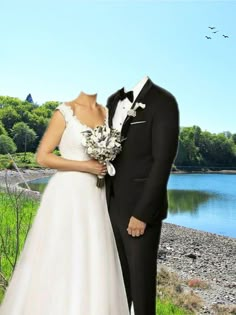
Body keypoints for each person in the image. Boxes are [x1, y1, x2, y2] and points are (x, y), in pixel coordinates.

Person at [0, 92, 130, 315]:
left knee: (96, 256)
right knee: (63, 254)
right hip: (68, 193)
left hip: (98, 195)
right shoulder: (64, 112)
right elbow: (43, 157)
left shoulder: (108, 114)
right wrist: (86, 167)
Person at [106, 76, 179, 315]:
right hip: (109, 205)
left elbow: (162, 161)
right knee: (117, 284)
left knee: (142, 288)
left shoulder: (163, 101)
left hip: (139, 212)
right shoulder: (112, 100)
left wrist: (143, 213)